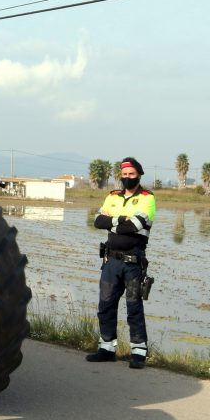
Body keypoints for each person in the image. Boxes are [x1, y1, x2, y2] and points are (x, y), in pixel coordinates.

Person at [86, 156, 157, 368]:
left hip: (133, 263)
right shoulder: (113, 196)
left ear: (139, 175)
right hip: (111, 261)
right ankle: (106, 349)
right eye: (124, 175)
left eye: (131, 175)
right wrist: (121, 220)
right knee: (105, 305)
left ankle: (138, 353)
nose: (127, 178)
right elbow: (98, 221)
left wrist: (112, 223)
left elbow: (138, 223)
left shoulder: (147, 198)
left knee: (134, 306)